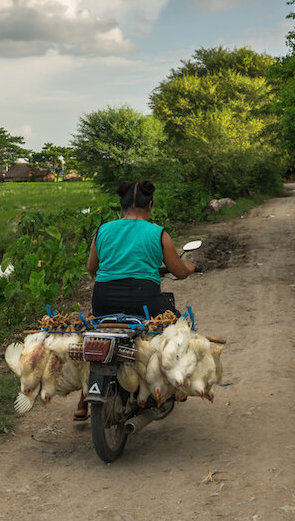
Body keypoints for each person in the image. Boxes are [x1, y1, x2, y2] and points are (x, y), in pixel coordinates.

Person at [73, 180, 196, 420]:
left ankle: (81, 402)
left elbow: (92, 269)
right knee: (179, 327)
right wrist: (189, 267)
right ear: (150, 204)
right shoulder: (158, 233)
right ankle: (177, 386)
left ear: (121, 205)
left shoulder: (103, 230)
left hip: (104, 300)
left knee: (96, 337)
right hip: (145, 301)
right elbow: (179, 272)